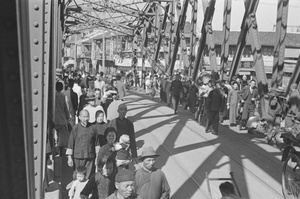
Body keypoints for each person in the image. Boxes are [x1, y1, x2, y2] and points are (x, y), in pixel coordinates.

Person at [66, 110, 100, 179]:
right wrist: (69, 157)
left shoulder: (93, 128)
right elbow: (70, 143)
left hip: (90, 156)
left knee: (89, 176)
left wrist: (97, 157)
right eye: (84, 117)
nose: (85, 119)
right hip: (78, 156)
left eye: (87, 117)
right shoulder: (75, 128)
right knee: (78, 175)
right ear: (79, 117)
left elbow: (97, 143)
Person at [54, 81, 70, 155]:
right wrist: (68, 117)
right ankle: (61, 151)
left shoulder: (53, 96)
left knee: (54, 136)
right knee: (62, 138)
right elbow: (66, 108)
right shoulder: (63, 96)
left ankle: (55, 149)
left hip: (54, 120)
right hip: (62, 119)